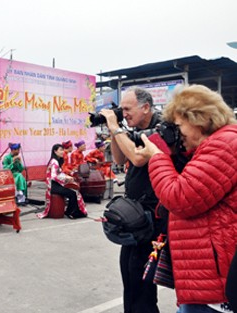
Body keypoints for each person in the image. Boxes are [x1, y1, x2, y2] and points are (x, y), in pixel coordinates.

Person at [135, 84, 237, 313]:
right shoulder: (215, 145)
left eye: (179, 126)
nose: (177, 134)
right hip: (205, 279)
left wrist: (157, 157)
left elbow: (179, 197)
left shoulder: (225, 144)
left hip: (213, 288)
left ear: (199, 120)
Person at [100, 86, 162, 313]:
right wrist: (113, 128)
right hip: (135, 216)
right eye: (121, 109)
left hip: (151, 219)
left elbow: (137, 159)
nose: (123, 113)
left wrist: (116, 127)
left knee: (141, 282)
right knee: (129, 273)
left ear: (146, 107)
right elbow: (118, 157)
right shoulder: (134, 130)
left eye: (127, 108)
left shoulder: (160, 128)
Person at [36, 144, 87, 219]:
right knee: (72, 193)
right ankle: (72, 212)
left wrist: (67, 177)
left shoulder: (57, 161)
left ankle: (71, 211)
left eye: (63, 150)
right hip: (53, 186)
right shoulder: (54, 162)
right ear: (55, 151)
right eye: (60, 150)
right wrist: (67, 178)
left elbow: (59, 173)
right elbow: (55, 176)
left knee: (74, 191)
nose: (62, 152)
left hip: (56, 184)